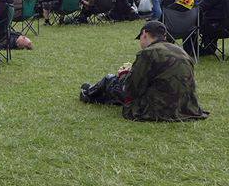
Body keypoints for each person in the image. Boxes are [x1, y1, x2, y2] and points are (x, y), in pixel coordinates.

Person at [80, 21, 208, 121]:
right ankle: (95, 93)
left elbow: (131, 89)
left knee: (110, 80)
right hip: (187, 107)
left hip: (158, 109)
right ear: (164, 36)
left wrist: (124, 75)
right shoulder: (181, 51)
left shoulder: (148, 53)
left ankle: (88, 93)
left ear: (144, 34)